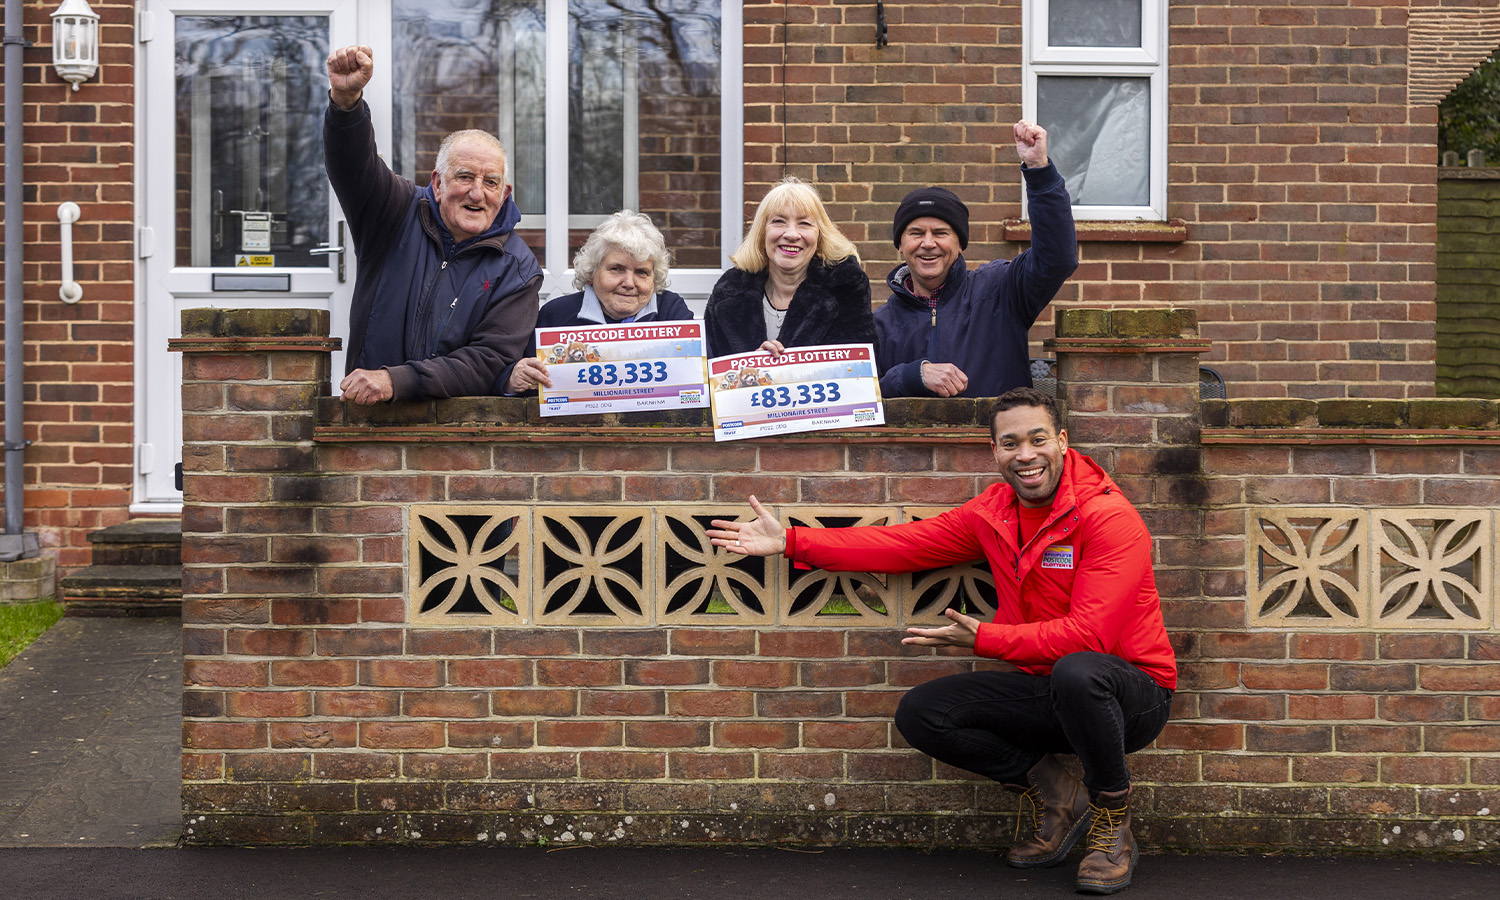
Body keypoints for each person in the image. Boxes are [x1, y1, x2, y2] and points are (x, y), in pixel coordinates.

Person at [707, 387, 1175, 895]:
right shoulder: (995, 511)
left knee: (1079, 669)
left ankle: (1112, 822)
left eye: (1038, 439)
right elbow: (905, 544)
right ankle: (1061, 795)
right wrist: (791, 541)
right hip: (1051, 690)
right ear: (994, 451)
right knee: (924, 713)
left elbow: (1090, 635)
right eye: (1010, 443)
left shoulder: (1107, 517)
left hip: (1130, 698)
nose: (1025, 455)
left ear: (1061, 442)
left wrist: (987, 640)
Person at [324, 45, 542, 404]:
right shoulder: (394, 211)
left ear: (504, 193)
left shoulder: (519, 268)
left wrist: (397, 381)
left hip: (453, 438)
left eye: (490, 183)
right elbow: (353, 167)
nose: (477, 193)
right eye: (465, 176)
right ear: (438, 184)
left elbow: (488, 361)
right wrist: (346, 104)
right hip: (368, 423)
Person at [876, 120, 1078, 399]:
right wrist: (912, 376)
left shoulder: (1001, 290)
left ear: (960, 244)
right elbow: (856, 401)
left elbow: (1057, 258)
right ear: (900, 245)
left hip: (997, 442)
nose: (928, 243)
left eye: (941, 233)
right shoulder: (879, 325)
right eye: (915, 233)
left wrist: (1039, 170)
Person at [504, 210, 692, 394]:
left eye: (641, 272)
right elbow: (520, 381)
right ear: (592, 273)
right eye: (616, 269)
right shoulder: (556, 315)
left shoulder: (671, 311)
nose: (629, 283)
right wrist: (513, 381)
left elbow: (698, 373)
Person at [703, 177, 875, 357]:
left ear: (820, 236)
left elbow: (858, 371)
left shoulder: (846, 288)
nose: (792, 234)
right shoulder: (729, 290)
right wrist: (753, 366)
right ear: (762, 233)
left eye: (804, 223)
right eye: (779, 221)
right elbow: (707, 374)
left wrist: (779, 371)